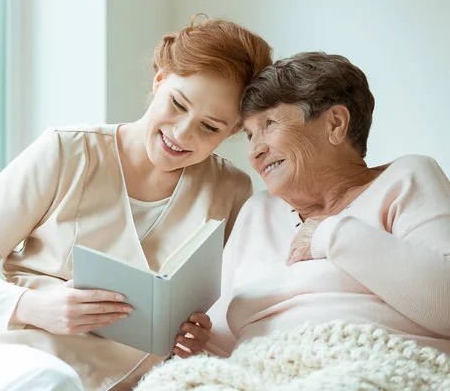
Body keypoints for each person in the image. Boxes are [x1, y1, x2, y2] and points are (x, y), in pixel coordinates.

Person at [0, 16, 272, 391]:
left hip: (132, 380)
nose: (182, 132)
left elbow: (227, 308)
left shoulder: (231, 190)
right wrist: (34, 306)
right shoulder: (67, 150)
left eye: (211, 127)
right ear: (159, 82)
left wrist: (195, 335)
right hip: (11, 356)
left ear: (234, 131)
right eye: (177, 104)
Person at [135, 51, 450, 390]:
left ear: (335, 124)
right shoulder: (257, 213)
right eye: (250, 135)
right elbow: (223, 338)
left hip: (372, 362)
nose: (255, 151)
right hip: (256, 372)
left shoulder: (406, 177)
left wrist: (329, 234)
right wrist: (199, 344)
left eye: (268, 126)